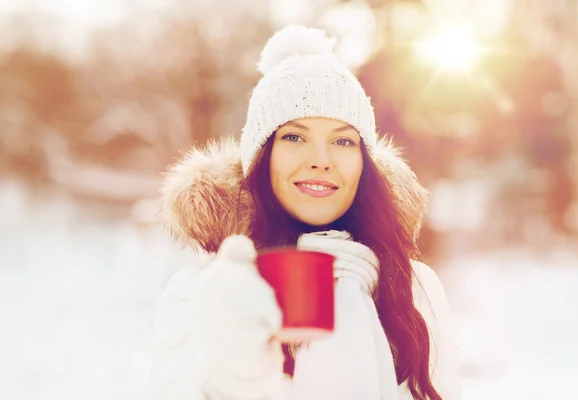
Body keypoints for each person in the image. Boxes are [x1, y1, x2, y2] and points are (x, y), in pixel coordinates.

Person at [152, 25, 461, 400]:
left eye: (343, 141)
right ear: (261, 159)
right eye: (294, 137)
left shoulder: (413, 288)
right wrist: (235, 370)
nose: (320, 161)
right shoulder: (205, 291)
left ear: (364, 164)